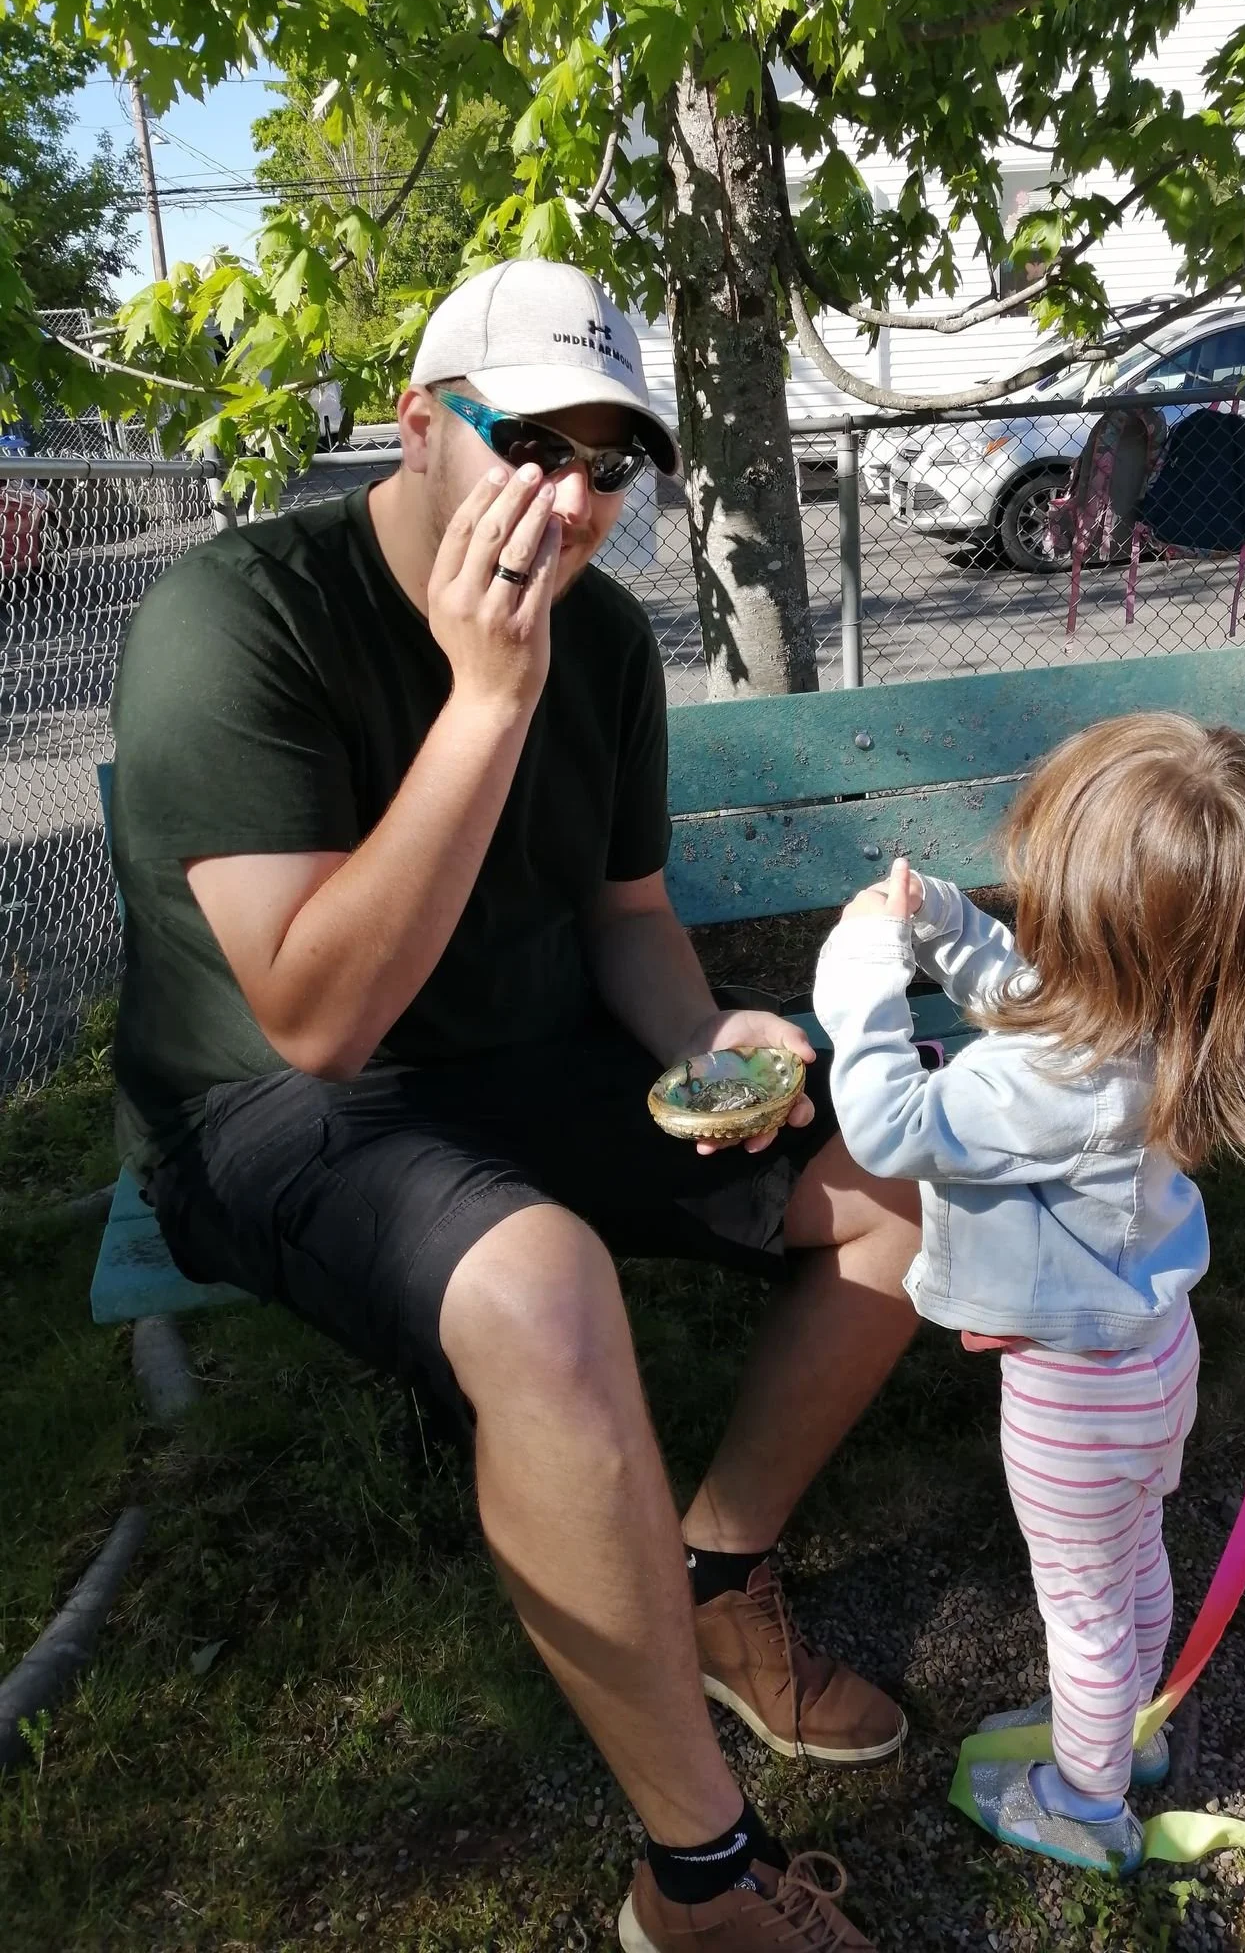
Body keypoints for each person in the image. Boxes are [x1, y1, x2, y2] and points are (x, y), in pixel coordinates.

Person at [109, 259, 923, 1951]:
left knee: (900, 1176)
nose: (571, 498)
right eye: (531, 442)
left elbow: (625, 916)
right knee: (545, 1287)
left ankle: (714, 1576)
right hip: (268, 1098)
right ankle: (697, 1881)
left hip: (527, 1062)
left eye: (610, 463)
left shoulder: (603, 640)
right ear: (418, 425)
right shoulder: (239, 617)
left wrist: (709, 1042)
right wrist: (484, 698)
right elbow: (319, 1018)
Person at [812, 716, 1245, 1874]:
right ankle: (1130, 1730)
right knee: (1134, 1556)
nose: (1033, 908)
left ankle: (1086, 1802)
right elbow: (1032, 990)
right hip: (1154, 1354)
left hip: (1074, 1399)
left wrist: (861, 972)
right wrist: (943, 922)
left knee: (1080, 1606)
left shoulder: (1054, 1077)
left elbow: (890, 1124)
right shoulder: (1164, 1019)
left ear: (1103, 924)